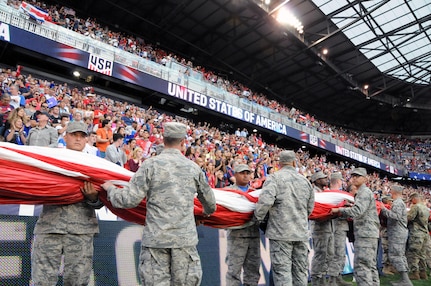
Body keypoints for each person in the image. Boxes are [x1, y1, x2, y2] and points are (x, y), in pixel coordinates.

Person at [101, 122, 216, 285]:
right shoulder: (193, 168)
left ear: (163, 139)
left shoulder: (150, 165)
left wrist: (110, 189)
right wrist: (204, 212)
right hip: (184, 242)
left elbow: (128, 199)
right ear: (183, 142)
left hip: (156, 241)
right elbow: (211, 204)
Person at [31, 121, 103, 285]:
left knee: (77, 281)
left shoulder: (95, 164)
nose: (78, 139)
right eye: (74, 135)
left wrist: (93, 198)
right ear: (65, 137)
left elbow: (103, 200)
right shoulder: (52, 159)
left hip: (81, 230)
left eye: (82, 136)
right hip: (50, 226)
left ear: (87, 140)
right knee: (42, 280)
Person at [254, 150, 314, 285]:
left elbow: (264, 203)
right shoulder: (305, 182)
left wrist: (257, 219)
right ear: (294, 162)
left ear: (279, 163)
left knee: (282, 274)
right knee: (300, 273)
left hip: (280, 234)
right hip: (301, 233)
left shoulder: (274, 179)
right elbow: (309, 209)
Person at [331, 167, 380, 286]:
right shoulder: (363, 192)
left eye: (357, 176)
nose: (354, 178)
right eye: (353, 176)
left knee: (362, 265)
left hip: (365, 233)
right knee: (370, 265)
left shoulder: (363, 192)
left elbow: (358, 210)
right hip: (368, 233)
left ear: (364, 178)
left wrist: (339, 210)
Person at [225, 164, 261, 286]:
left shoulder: (256, 193)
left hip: (254, 235)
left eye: (247, 173)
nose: (245, 175)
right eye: (242, 173)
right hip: (236, 236)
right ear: (235, 175)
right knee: (234, 271)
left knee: (253, 271)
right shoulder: (228, 192)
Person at [380, 185, 413, 285]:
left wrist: (383, 209)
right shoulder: (399, 202)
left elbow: (396, 216)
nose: (390, 192)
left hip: (397, 233)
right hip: (398, 232)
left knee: (396, 256)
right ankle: (404, 279)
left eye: (391, 190)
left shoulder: (398, 203)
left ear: (394, 192)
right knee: (400, 255)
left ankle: (405, 280)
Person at [327, 172, 352, 285]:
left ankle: (337, 277)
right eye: (341, 181)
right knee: (337, 253)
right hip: (337, 226)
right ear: (338, 181)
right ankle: (333, 279)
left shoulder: (327, 193)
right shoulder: (338, 195)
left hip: (335, 226)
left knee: (338, 253)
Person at [309, 170, 333, 286]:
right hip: (319, 228)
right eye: (323, 178)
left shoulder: (324, 192)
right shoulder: (314, 193)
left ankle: (322, 278)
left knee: (328, 255)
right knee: (320, 254)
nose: (326, 179)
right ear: (317, 180)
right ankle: (316, 280)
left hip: (327, 227)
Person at [406, 192, 430, 280]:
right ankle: (423, 273)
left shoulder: (416, 207)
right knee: (422, 255)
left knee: (413, 254)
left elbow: (409, 218)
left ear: (414, 199)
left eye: (411, 200)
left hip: (416, 234)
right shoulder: (426, 208)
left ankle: (414, 273)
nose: (411, 202)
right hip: (425, 234)